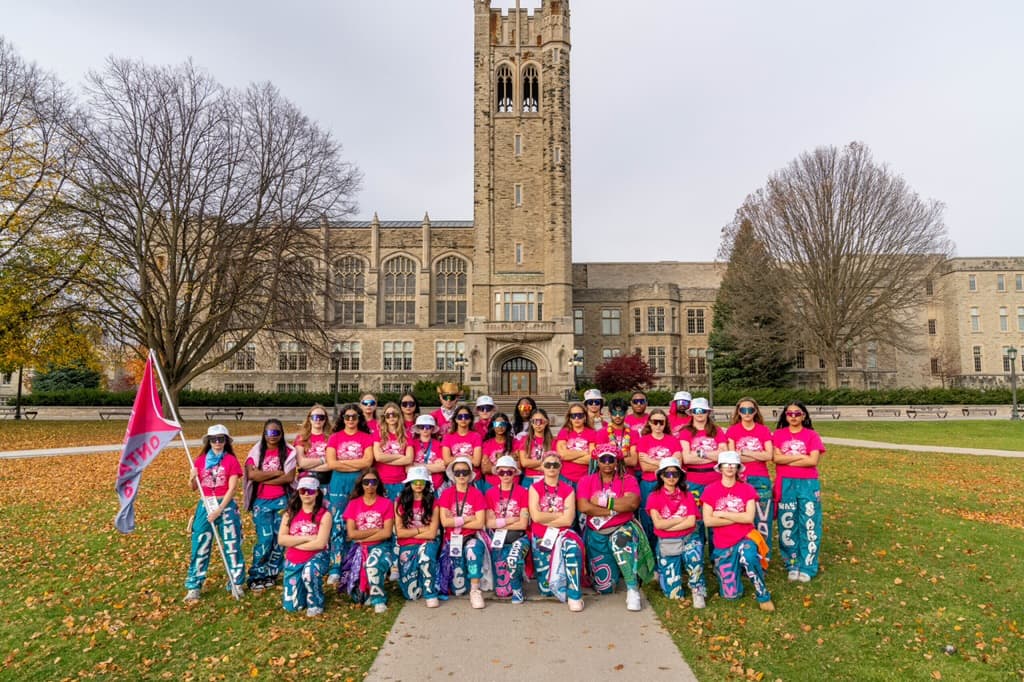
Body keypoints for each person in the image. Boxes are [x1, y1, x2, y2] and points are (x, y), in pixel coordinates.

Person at [576, 443, 649, 611]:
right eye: (603, 459)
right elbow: (584, 507)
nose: (607, 463)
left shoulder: (628, 479)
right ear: (597, 461)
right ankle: (616, 571)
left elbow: (632, 503)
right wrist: (615, 508)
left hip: (621, 528)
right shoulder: (587, 480)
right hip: (597, 532)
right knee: (605, 588)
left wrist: (603, 502)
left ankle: (632, 589)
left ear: (617, 461)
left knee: (620, 541)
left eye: (611, 459)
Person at [702, 451, 774, 611]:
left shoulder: (747, 489)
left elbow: (749, 518)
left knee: (749, 556)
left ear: (737, 467)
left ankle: (763, 595)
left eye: (732, 464)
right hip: (723, 544)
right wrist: (736, 516)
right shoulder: (710, 490)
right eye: (725, 464)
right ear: (720, 467)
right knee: (731, 595)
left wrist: (721, 514)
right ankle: (732, 576)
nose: (729, 467)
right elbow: (708, 520)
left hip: (745, 538)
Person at [184, 424, 246, 601]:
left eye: (221, 439)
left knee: (232, 545)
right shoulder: (200, 460)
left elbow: (232, 488)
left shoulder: (231, 461)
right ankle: (194, 585)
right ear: (208, 442)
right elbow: (193, 488)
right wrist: (191, 477)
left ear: (226, 441)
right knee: (200, 544)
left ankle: (236, 582)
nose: (217, 443)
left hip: (225, 506)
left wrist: (219, 510)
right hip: (205, 505)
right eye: (213, 440)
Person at [772, 401, 825, 582]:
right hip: (786, 483)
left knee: (809, 523)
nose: (793, 417)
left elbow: (812, 461)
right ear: (785, 416)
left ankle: (808, 564)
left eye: (797, 413)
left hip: (808, 483)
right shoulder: (779, 434)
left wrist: (787, 460)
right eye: (789, 414)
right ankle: (792, 563)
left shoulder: (811, 435)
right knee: (788, 523)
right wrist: (801, 456)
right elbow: (775, 458)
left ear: (803, 415)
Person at [324, 404, 376, 584]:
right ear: (342, 419)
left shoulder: (366, 437)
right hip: (338, 484)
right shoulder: (335, 438)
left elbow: (368, 462)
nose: (351, 420)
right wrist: (356, 463)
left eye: (354, 417)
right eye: (347, 417)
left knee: (358, 523)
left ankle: (355, 562)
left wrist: (344, 463)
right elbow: (331, 463)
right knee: (338, 525)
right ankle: (336, 567)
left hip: (359, 484)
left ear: (359, 418)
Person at [243, 418, 297, 591]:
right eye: (269, 433)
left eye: (276, 432)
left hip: (282, 501)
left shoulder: (289, 452)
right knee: (265, 539)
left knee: (279, 539)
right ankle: (256, 574)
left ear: (281, 434)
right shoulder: (257, 452)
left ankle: (271, 573)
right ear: (264, 434)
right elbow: (252, 476)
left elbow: (289, 478)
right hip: (261, 502)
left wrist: (264, 478)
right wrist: (275, 473)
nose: (272, 436)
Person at [528, 452, 585, 612]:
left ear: (560, 467)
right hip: (541, 536)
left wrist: (546, 517)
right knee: (546, 590)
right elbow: (536, 516)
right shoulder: (534, 488)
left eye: (555, 465)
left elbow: (568, 521)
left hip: (563, 534)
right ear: (541, 467)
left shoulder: (568, 489)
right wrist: (559, 514)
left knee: (573, 550)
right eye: (548, 465)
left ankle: (575, 595)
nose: (551, 468)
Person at [646, 458, 706, 607]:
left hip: (688, 538)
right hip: (667, 542)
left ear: (680, 476)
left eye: (675, 474)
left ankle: (697, 587)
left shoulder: (687, 495)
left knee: (695, 558)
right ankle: (665, 575)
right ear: (661, 475)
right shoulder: (654, 496)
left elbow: (691, 522)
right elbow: (658, 524)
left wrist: (668, 525)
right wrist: (680, 520)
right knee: (673, 594)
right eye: (667, 474)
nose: (671, 477)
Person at [726, 397, 775, 560]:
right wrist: (757, 455)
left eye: (750, 410)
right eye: (743, 410)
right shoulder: (733, 430)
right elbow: (733, 458)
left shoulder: (763, 430)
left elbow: (769, 455)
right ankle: (745, 555)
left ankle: (763, 556)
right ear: (738, 412)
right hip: (740, 479)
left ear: (755, 411)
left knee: (763, 519)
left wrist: (745, 453)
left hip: (761, 479)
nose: (747, 413)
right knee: (742, 520)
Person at [341, 468, 395, 613]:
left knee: (372, 564)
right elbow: (352, 533)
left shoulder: (387, 503)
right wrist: (377, 530)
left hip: (382, 547)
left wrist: (363, 536)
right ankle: (367, 591)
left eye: (373, 481)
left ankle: (379, 599)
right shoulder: (353, 504)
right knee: (358, 596)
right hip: (358, 549)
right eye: (366, 482)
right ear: (361, 484)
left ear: (378, 484)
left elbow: (387, 533)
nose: (370, 485)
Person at [437, 456, 488, 608]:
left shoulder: (476, 494)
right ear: (452, 474)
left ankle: (475, 590)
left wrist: (457, 519)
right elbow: (445, 522)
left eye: (464, 472)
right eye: (457, 472)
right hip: (451, 539)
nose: (461, 475)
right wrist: (468, 518)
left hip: (470, 536)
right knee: (456, 588)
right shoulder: (446, 494)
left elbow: (479, 522)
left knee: (473, 550)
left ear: (470, 474)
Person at [278, 475, 332, 616]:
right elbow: (281, 540)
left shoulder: (324, 515)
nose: (307, 494)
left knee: (309, 572)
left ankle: (316, 602)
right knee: (292, 606)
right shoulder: (289, 514)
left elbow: (320, 543)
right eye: (303, 491)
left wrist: (294, 542)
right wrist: (307, 538)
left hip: (316, 557)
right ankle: (303, 593)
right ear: (298, 492)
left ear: (317, 492)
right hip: (293, 559)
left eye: (310, 491)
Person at [679, 397, 727, 546]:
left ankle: (717, 556)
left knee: (716, 518)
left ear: (707, 412)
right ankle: (696, 557)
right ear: (691, 412)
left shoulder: (716, 430)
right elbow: (686, 458)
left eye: (703, 411)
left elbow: (724, 455)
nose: (699, 414)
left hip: (715, 479)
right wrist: (712, 455)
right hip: (694, 480)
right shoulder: (686, 431)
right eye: (696, 411)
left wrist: (700, 454)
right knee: (696, 519)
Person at [484, 455, 531, 603]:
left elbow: (523, 524)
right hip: (498, 539)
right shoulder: (490, 493)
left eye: (509, 472)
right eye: (501, 472)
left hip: (519, 537)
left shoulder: (523, 492)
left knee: (513, 559)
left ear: (514, 473)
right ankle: (513, 578)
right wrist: (511, 519)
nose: (505, 475)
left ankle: (517, 588)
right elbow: (489, 523)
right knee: (502, 591)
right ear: (497, 473)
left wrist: (499, 522)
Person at [394, 466, 441, 607]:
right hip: (407, 545)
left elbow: (432, 533)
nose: (418, 484)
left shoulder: (434, 502)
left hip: (428, 542)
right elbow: (400, 532)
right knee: (411, 594)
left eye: (421, 481)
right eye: (415, 481)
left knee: (426, 557)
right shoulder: (400, 501)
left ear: (427, 483)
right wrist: (422, 530)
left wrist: (413, 533)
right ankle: (418, 581)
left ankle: (430, 593)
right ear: (409, 483)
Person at [636, 408, 681, 546]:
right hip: (649, 484)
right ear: (649, 423)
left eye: (661, 422)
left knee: (667, 515)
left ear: (665, 423)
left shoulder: (673, 440)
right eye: (655, 422)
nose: (658, 426)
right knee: (648, 518)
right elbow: (645, 467)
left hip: (669, 485)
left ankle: (667, 550)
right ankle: (651, 551)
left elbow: (677, 465)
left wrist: (651, 460)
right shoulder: (644, 441)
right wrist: (666, 464)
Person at [375, 402, 414, 500]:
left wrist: (386, 458)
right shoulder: (378, 434)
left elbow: (409, 459)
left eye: (394, 415)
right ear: (384, 417)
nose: (391, 417)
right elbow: (378, 457)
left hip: (400, 480)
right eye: (388, 415)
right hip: (382, 481)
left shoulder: (406, 435)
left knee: (399, 513)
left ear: (399, 416)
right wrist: (399, 456)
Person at [294, 404, 333, 499]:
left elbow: (332, 464)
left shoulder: (332, 437)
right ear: (309, 419)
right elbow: (302, 463)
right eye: (315, 417)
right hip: (306, 482)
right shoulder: (301, 438)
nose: (318, 420)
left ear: (325, 419)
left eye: (321, 417)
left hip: (326, 480)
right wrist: (324, 460)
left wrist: (309, 468)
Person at [555, 402, 596, 486]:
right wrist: (584, 453)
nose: (576, 418)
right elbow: (562, 455)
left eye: (580, 415)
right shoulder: (564, 432)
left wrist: (569, 456)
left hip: (585, 478)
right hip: (565, 477)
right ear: (570, 418)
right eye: (573, 416)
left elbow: (592, 459)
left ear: (585, 417)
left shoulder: (592, 433)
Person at [596, 397, 638, 476]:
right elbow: (601, 460)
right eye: (614, 413)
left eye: (621, 413)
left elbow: (633, 461)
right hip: (608, 477)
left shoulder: (633, 433)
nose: (618, 416)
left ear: (626, 413)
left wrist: (612, 459)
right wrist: (625, 455)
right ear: (609, 413)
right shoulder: (601, 433)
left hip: (628, 476)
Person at [441, 405, 483, 478]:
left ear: (470, 419)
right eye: (460, 417)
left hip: (474, 476)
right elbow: (446, 461)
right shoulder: (448, 437)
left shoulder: (476, 436)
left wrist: (456, 456)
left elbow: (476, 462)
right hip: (456, 476)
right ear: (456, 419)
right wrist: (468, 456)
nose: (463, 419)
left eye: (466, 416)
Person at [516, 407, 553, 488]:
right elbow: (524, 463)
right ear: (531, 423)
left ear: (547, 422)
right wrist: (545, 463)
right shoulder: (524, 440)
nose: (538, 424)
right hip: (529, 480)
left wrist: (532, 464)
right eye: (535, 421)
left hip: (548, 479)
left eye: (541, 421)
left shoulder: (553, 441)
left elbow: (555, 464)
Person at [410, 414, 446, 489]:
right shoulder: (412, 444)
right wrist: (433, 467)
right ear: (418, 429)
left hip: (437, 484)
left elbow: (443, 467)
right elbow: (408, 468)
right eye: (421, 427)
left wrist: (416, 465)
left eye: (428, 426)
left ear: (432, 428)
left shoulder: (439, 444)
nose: (425, 429)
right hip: (417, 484)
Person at [481, 412, 515, 490]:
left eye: (502, 424)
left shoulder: (514, 442)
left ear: (507, 425)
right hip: (491, 485)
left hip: (511, 484)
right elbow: (485, 469)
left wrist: (493, 467)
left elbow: (518, 466)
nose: (500, 427)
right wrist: (508, 464)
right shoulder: (487, 443)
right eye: (497, 424)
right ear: (493, 425)